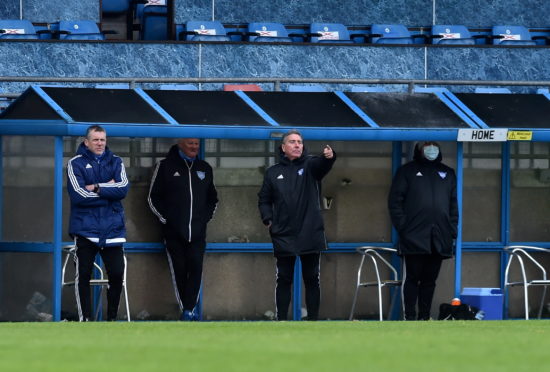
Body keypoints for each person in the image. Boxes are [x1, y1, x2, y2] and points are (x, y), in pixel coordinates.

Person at [258, 130, 336, 321]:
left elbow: (322, 166)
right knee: (284, 278)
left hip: (310, 231)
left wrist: (329, 157)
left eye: (300, 142)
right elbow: (264, 199)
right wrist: (268, 219)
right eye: (292, 142)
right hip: (283, 233)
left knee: (311, 278)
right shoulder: (273, 172)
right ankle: (282, 319)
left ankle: (313, 320)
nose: (297, 145)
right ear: (283, 147)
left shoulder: (310, 164)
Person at [148, 138, 218, 321]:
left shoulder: (205, 168)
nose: (194, 147)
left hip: (197, 233)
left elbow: (213, 199)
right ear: (180, 143)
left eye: (197, 144)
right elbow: (153, 197)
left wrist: (204, 219)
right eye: (190, 144)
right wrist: (167, 220)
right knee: (179, 270)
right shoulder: (164, 167)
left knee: (196, 268)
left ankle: (189, 309)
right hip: (173, 233)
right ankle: (185, 308)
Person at [388, 141, 458, 321]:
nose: (432, 150)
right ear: (419, 150)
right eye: (427, 147)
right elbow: (395, 202)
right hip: (413, 237)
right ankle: (409, 317)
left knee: (429, 281)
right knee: (412, 279)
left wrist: (451, 231)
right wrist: (404, 228)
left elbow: (453, 207)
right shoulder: (407, 171)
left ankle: (425, 317)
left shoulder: (448, 173)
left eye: (435, 146)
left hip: (439, 238)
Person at [67, 125, 129, 321]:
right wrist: (108, 190)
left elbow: (123, 189)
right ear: (86, 142)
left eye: (102, 139)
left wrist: (96, 187)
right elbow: (78, 195)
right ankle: (85, 320)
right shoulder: (75, 163)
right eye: (95, 140)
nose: (100, 143)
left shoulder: (117, 161)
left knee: (117, 274)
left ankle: (111, 319)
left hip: (113, 229)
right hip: (85, 229)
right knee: (83, 275)